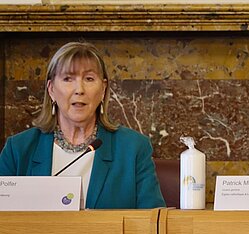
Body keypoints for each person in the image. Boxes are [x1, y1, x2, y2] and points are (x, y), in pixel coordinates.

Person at [0, 41, 166, 209]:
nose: (79, 89)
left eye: (89, 79)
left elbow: (154, 222)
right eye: (68, 79)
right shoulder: (18, 149)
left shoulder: (133, 148)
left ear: (103, 89)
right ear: (51, 89)